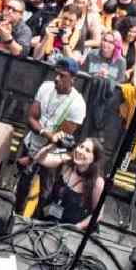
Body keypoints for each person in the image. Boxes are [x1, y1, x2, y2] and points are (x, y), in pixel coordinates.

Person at [15, 57, 88, 212]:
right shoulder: (46, 87)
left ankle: (36, 223)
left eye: (62, 76)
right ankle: (14, 214)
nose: (57, 78)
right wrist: (45, 133)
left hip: (52, 154)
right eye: (57, 74)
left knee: (46, 192)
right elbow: (31, 118)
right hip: (32, 144)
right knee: (22, 184)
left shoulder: (77, 104)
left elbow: (59, 140)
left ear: (73, 79)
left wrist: (33, 159)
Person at [30, 137, 104, 227]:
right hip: (50, 220)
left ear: (94, 159)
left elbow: (98, 214)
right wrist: (50, 147)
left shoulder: (97, 182)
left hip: (72, 231)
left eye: (87, 150)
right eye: (81, 147)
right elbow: (39, 159)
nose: (80, 151)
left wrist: (78, 226)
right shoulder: (66, 162)